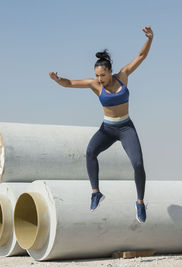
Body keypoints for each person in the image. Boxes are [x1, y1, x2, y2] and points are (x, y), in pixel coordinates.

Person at [49, 26, 153, 223]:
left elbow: (141, 56)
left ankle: (140, 202)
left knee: (138, 164)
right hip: (107, 128)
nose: (99, 79)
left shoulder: (123, 77)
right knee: (90, 152)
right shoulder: (94, 85)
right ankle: (95, 192)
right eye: (97, 76)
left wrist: (150, 38)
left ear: (110, 72)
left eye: (102, 76)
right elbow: (70, 83)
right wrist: (57, 80)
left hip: (125, 128)